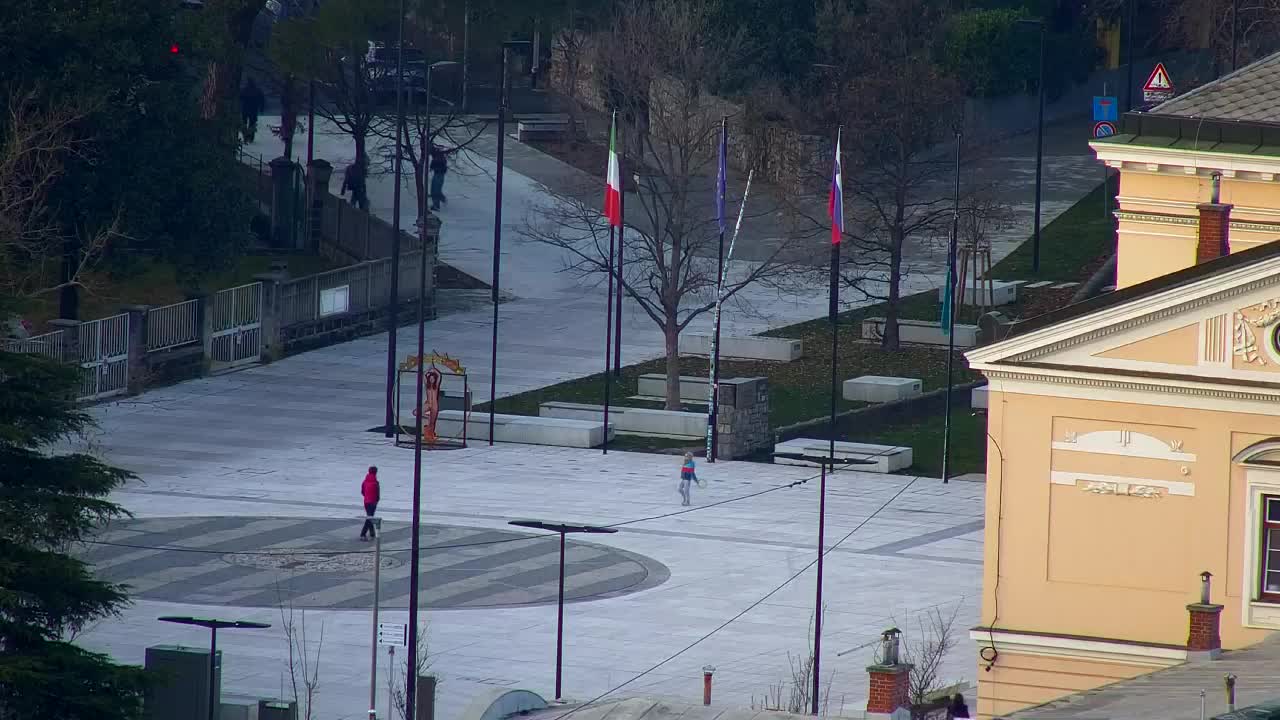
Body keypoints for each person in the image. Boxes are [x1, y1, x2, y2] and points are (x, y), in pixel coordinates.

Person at [360, 466, 380, 540]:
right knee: (369, 518)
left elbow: (362, 491)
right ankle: (363, 534)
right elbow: (378, 494)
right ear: (375, 472)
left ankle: (372, 533)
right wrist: (376, 500)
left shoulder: (364, 481)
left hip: (366, 501)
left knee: (369, 516)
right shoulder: (376, 483)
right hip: (373, 502)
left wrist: (366, 496)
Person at [429, 145, 448, 211]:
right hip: (437, 174)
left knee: (435, 191)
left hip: (439, 175)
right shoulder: (437, 157)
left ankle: (437, 205)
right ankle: (441, 200)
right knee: (435, 190)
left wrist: (433, 167)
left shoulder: (439, 157)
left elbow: (443, 168)